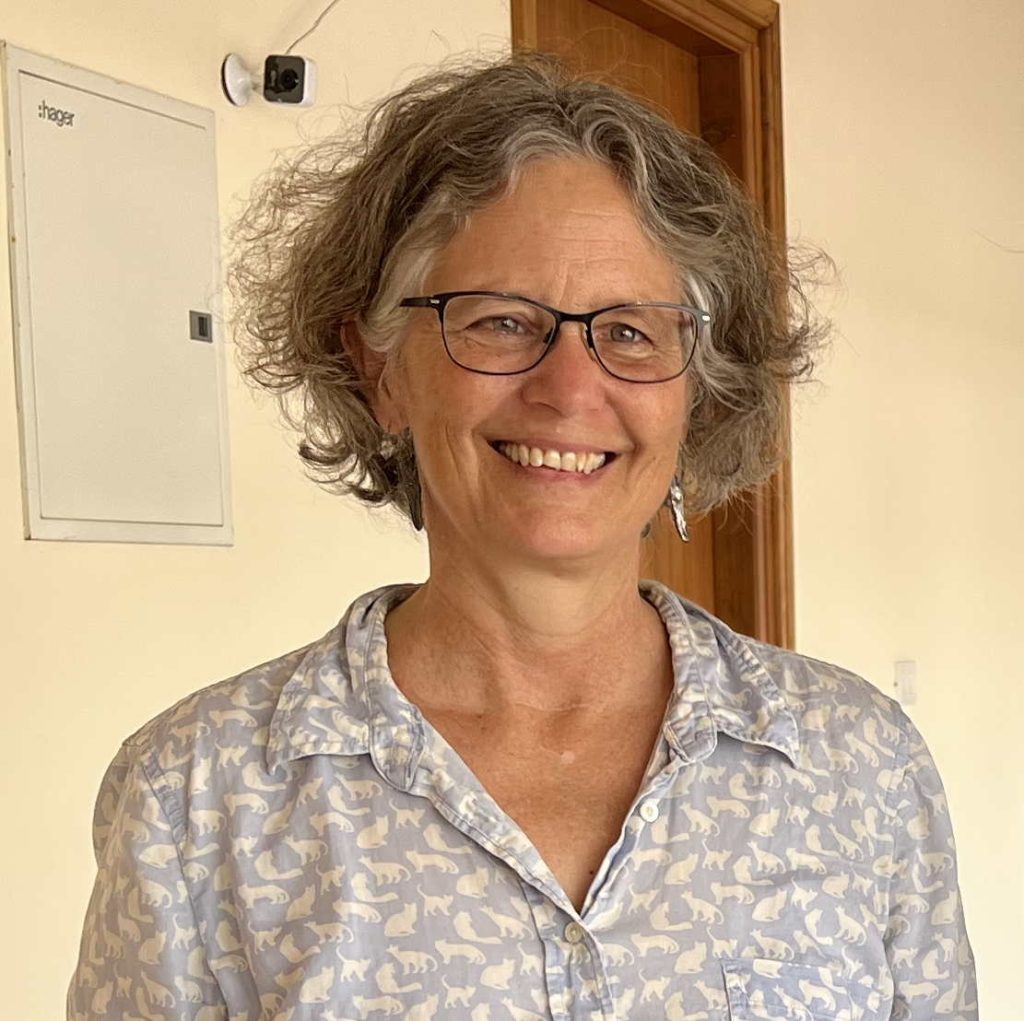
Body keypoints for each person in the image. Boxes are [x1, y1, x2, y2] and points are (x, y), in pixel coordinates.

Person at [68, 55, 976, 1020]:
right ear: (380, 372)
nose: (571, 389)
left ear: (696, 391)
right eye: (502, 322)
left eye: (631, 332)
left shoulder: (860, 763)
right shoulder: (196, 799)